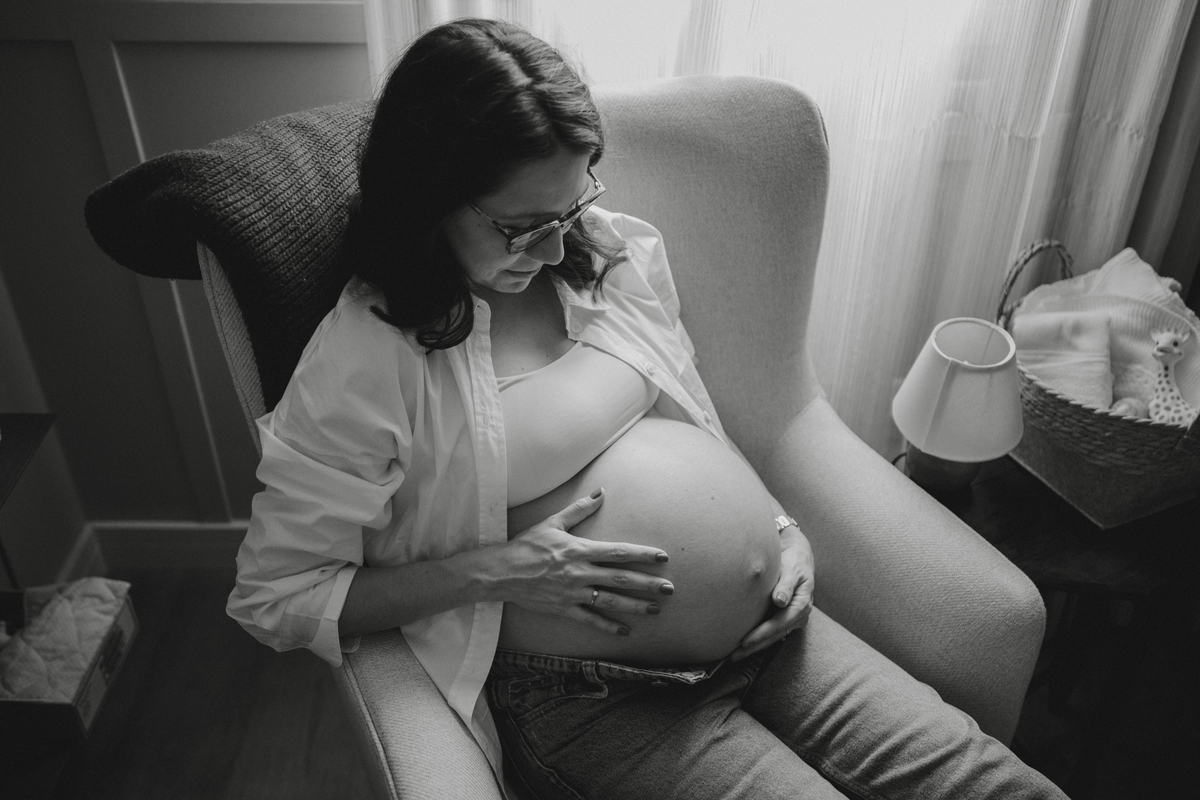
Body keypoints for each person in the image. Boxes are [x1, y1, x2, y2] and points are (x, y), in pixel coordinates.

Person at [227, 18, 1069, 800]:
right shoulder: (368, 355)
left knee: (999, 786)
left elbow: (692, 412)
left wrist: (779, 531)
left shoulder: (612, 255)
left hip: (773, 633)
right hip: (598, 699)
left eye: (571, 207)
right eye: (522, 227)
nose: (556, 247)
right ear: (426, 199)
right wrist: (505, 569)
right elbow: (282, 593)